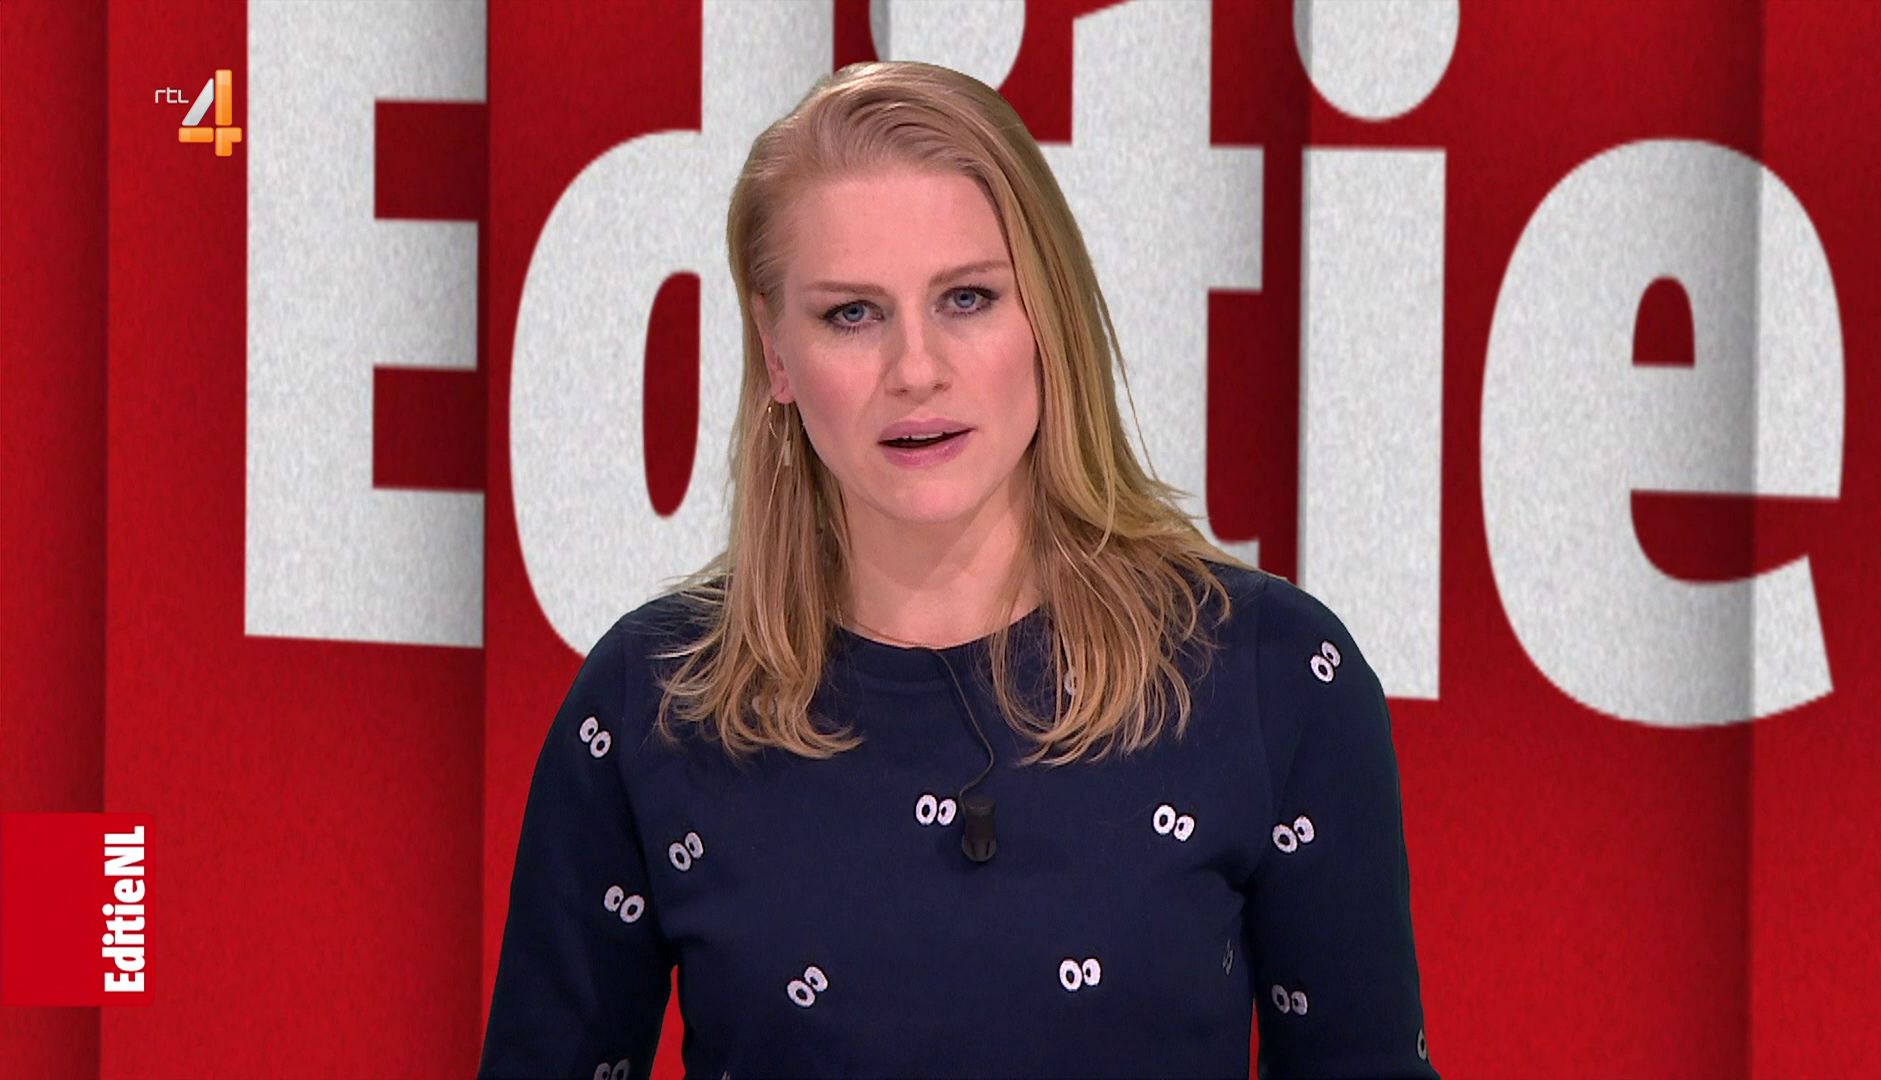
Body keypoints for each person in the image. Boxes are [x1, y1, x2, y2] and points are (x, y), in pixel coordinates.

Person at [478, 60, 1437, 1080]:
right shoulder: (656, 698)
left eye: (968, 298)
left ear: (1049, 319)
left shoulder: (1270, 675)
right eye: (852, 314)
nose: (916, 370)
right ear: (776, 353)